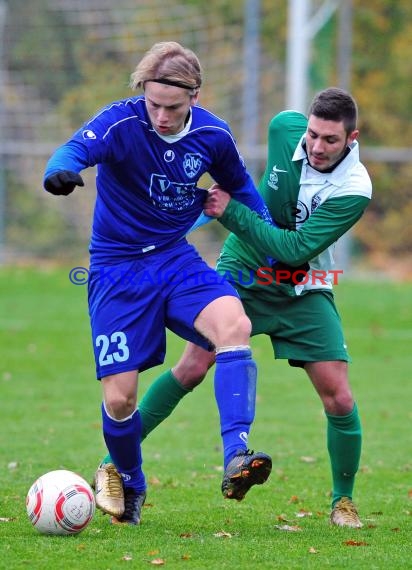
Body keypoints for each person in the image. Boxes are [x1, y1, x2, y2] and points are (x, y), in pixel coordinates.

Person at [97, 87, 372, 528]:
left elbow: (295, 249)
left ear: (351, 139)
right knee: (192, 366)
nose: (317, 147)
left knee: (338, 395)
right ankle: (114, 463)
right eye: (314, 135)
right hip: (243, 268)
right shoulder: (286, 129)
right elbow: (249, 183)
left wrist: (232, 213)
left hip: (303, 286)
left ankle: (343, 502)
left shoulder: (356, 189)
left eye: (331, 140)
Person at [43, 41, 273, 526]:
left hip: (175, 260)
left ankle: (236, 454)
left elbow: (244, 190)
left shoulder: (213, 135)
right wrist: (60, 171)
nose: (162, 116)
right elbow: (76, 147)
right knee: (120, 397)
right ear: (142, 94)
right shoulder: (121, 122)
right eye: (154, 104)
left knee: (234, 324)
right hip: (116, 267)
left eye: (172, 107)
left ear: (195, 95)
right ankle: (130, 479)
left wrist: (270, 241)